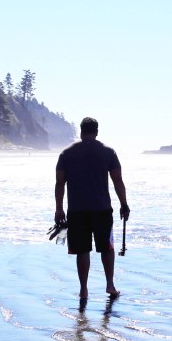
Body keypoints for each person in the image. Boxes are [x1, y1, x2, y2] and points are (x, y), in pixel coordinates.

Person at [55, 116, 130, 301]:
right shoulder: (108, 152)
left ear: (81, 131)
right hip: (102, 209)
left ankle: (83, 290)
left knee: (82, 251)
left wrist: (59, 209)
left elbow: (59, 184)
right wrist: (124, 204)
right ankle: (110, 285)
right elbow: (117, 180)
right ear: (97, 132)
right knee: (107, 248)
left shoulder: (66, 153)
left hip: (76, 210)